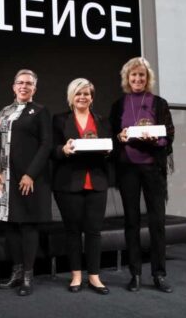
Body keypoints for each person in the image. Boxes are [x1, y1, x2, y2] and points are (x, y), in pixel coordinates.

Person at [109, 57, 175, 293]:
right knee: (131, 222)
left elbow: (169, 136)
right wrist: (120, 138)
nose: (137, 79)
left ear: (148, 79)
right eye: (133, 75)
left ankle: (159, 274)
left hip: (153, 170)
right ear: (127, 79)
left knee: (157, 223)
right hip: (128, 170)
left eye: (142, 76)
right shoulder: (119, 105)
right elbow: (113, 138)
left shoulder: (159, 103)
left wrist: (155, 139)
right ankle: (135, 274)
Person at [0, 69, 51, 296]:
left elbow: (46, 145)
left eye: (29, 83)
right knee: (11, 227)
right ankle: (15, 273)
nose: (24, 86)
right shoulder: (3, 111)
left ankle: (28, 276)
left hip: (29, 180)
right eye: (20, 83)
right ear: (13, 86)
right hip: (6, 179)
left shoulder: (40, 111)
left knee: (27, 226)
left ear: (34, 88)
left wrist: (30, 174)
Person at [52, 78, 112, 295]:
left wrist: (107, 151)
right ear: (71, 97)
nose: (82, 97)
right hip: (68, 183)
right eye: (78, 94)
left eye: (86, 94)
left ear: (92, 97)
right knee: (73, 232)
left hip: (96, 182)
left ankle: (94, 277)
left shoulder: (102, 121)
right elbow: (51, 149)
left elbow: (110, 148)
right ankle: (76, 275)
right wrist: (63, 150)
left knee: (94, 232)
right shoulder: (59, 120)